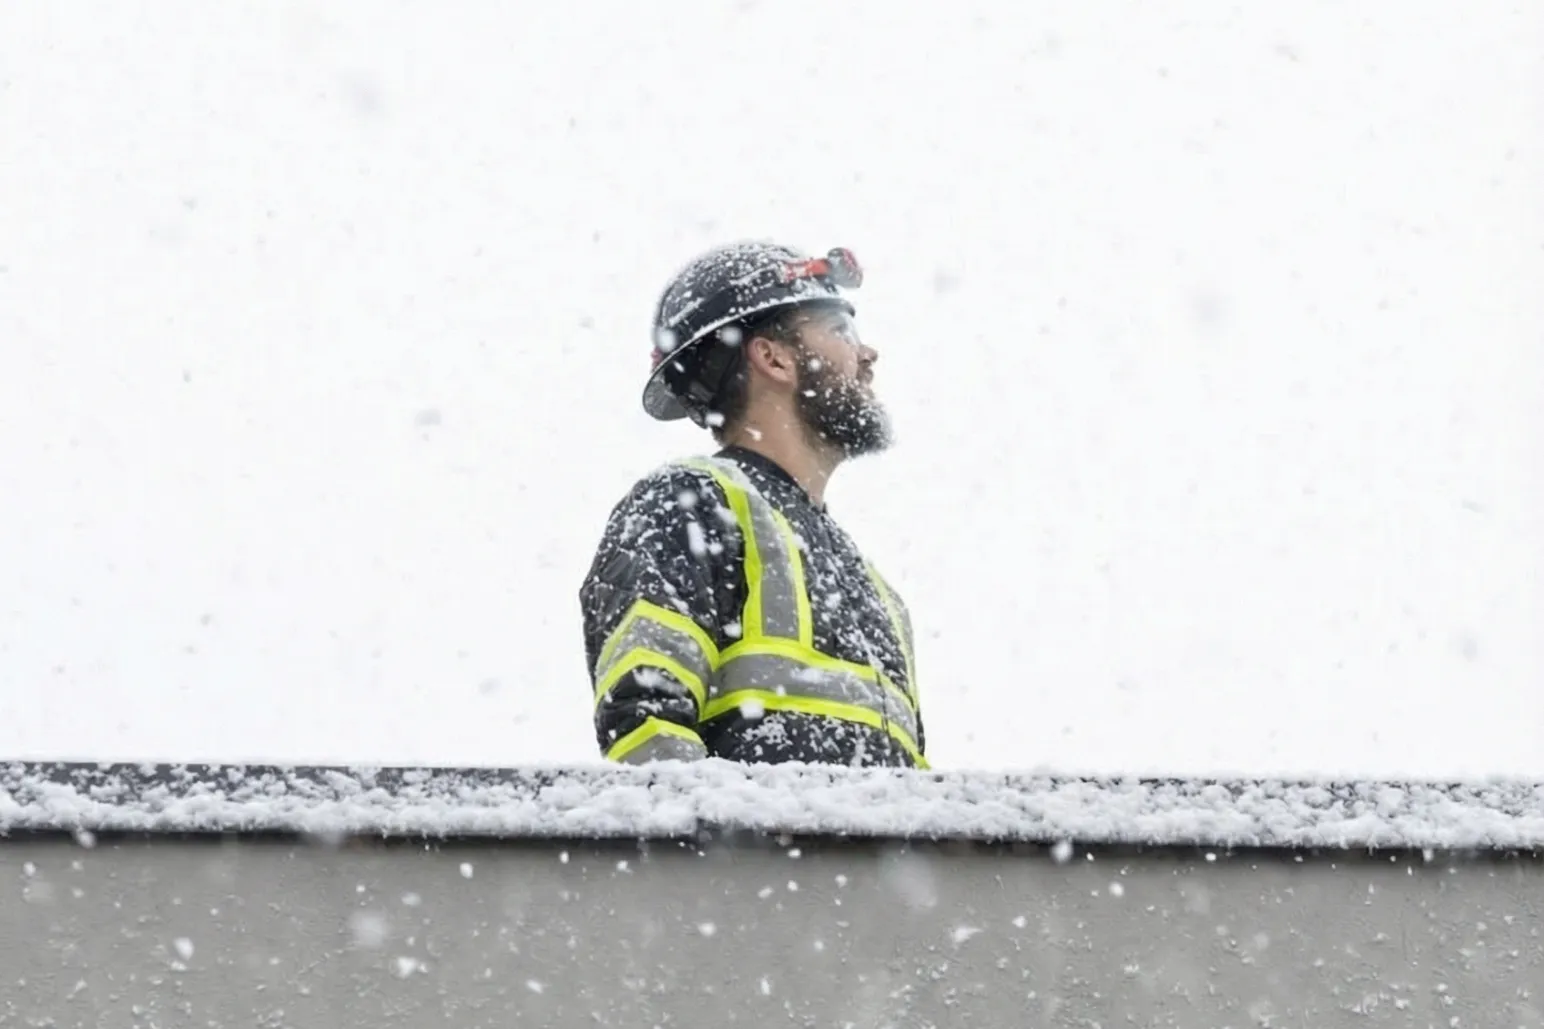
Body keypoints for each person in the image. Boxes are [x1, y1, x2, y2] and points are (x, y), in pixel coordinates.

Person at [578, 240, 927, 769]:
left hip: (852, 854)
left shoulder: (875, 588)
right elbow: (648, 735)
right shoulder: (690, 502)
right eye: (840, 331)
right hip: (752, 853)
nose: (867, 355)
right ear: (773, 358)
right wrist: (737, 851)